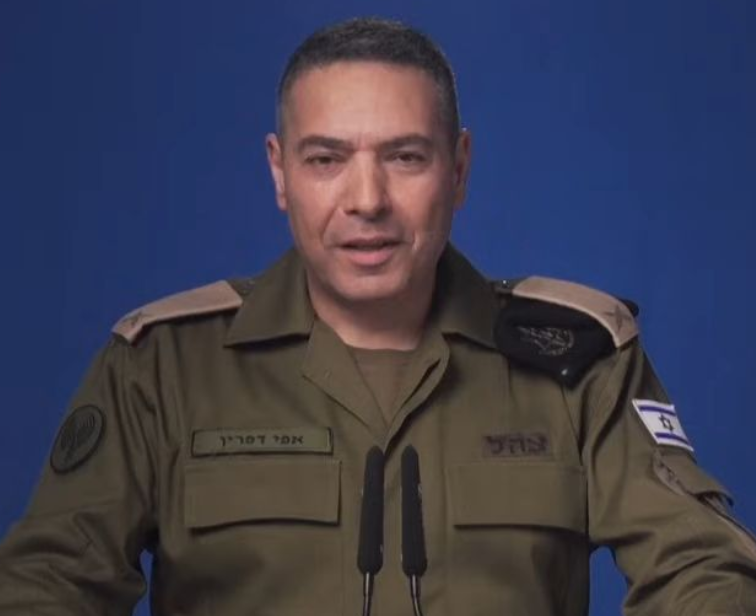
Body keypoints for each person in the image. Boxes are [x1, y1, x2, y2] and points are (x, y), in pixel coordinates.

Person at [1, 16, 755, 616]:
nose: (366, 201)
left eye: (405, 157)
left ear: (459, 169)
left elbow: (700, 567)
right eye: (326, 159)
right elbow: (48, 584)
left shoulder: (579, 360)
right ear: (280, 172)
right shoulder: (162, 365)